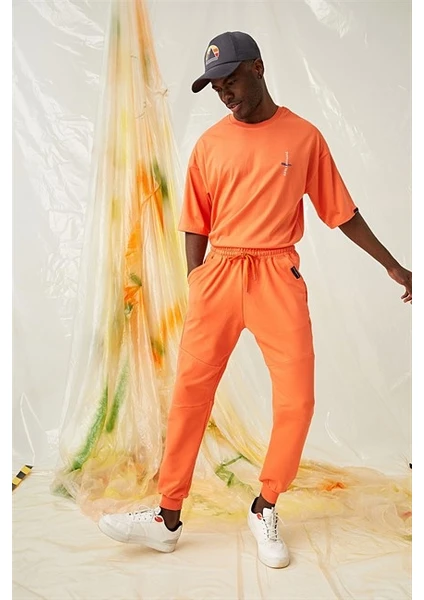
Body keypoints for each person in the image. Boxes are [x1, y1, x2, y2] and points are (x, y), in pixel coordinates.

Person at [98, 31, 412, 569]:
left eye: (231, 80)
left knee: (297, 400)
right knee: (190, 394)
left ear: (258, 69)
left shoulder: (304, 137)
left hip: (276, 276)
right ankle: (167, 517)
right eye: (216, 87)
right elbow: (195, 220)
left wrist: (393, 265)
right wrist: (197, 280)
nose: (225, 93)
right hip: (219, 274)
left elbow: (342, 212)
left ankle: (265, 505)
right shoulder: (209, 144)